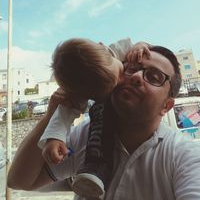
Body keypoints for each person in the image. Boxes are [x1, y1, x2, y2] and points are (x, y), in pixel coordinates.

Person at [7, 44, 200, 200]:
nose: (136, 76)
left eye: (153, 77)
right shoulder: (86, 136)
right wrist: (52, 114)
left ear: (166, 105)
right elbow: (19, 181)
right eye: (131, 68)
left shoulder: (184, 156)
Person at [38, 37, 150, 199]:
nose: (122, 80)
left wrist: (142, 46)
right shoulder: (83, 86)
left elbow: (154, 53)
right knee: (100, 114)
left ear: (104, 49)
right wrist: (55, 137)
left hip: (131, 117)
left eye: (120, 72)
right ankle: (95, 170)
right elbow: (64, 113)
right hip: (104, 122)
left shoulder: (120, 49)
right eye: (115, 84)